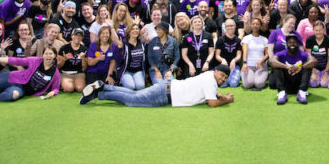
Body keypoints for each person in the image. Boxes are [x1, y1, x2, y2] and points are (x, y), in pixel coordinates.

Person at [79, 64, 234, 108]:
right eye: (222, 75)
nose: (222, 79)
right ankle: (99, 94)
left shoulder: (209, 78)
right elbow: (213, 103)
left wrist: (221, 96)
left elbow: (212, 95)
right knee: (132, 100)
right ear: (216, 71)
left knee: (134, 95)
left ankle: (104, 88)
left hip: (167, 89)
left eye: (225, 78)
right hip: (166, 94)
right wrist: (226, 99)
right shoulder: (210, 80)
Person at [269, 33, 316, 105]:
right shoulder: (281, 54)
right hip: (286, 85)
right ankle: (281, 93)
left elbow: (314, 61)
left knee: (307, 66)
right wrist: (286, 66)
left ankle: (302, 92)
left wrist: (300, 67)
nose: (292, 44)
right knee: (277, 66)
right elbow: (271, 61)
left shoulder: (303, 54)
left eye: (294, 42)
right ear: (286, 44)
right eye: (290, 42)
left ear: (297, 44)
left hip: (298, 84)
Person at [241, 18, 269, 90]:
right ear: (251, 25)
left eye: (257, 24)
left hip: (260, 65)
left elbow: (267, 54)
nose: (255, 25)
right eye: (253, 24)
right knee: (247, 85)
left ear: (260, 26)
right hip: (248, 65)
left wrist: (261, 61)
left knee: (259, 84)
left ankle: (259, 77)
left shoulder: (264, 39)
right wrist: (244, 63)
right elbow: (245, 50)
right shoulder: (246, 38)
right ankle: (252, 77)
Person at [57, 27, 87, 93]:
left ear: (82, 38)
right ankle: (66, 84)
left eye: (80, 35)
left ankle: (74, 83)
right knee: (69, 89)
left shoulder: (84, 49)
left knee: (80, 88)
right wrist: (64, 59)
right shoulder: (64, 48)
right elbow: (58, 65)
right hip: (65, 73)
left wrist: (83, 58)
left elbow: (84, 68)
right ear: (72, 36)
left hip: (78, 73)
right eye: (76, 35)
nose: (77, 37)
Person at [306, 20, 329, 88]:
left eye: (320, 30)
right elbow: (308, 57)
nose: (318, 32)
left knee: (324, 84)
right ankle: (315, 75)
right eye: (316, 30)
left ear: (323, 29)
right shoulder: (309, 40)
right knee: (314, 84)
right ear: (313, 30)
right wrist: (313, 72)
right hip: (314, 67)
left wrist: (326, 73)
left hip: (325, 67)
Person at [215, 19, 242, 88]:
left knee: (233, 84)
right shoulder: (220, 39)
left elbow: (239, 55)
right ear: (225, 27)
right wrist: (222, 60)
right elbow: (217, 55)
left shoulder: (238, 40)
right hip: (223, 66)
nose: (230, 27)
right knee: (222, 84)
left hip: (234, 66)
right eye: (228, 26)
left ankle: (231, 77)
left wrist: (234, 60)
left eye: (231, 26)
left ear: (235, 27)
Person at [120, 22, 147, 90]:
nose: (135, 31)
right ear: (129, 31)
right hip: (126, 71)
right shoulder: (124, 43)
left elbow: (144, 60)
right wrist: (120, 49)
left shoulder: (141, 43)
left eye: (137, 29)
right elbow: (119, 60)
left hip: (138, 71)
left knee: (140, 87)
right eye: (133, 29)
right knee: (131, 87)